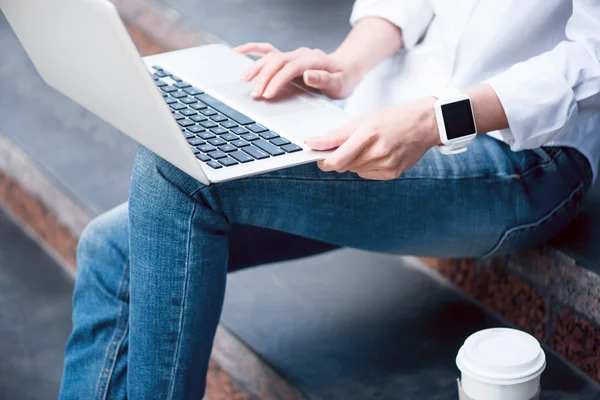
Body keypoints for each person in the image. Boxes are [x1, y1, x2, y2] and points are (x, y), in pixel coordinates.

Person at [60, 0, 600, 399]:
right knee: (114, 248)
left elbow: (592, 57)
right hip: (388, 110)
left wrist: (437, 117)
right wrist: (345, 66)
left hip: (521, 157)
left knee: (176, 169)